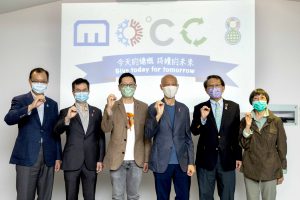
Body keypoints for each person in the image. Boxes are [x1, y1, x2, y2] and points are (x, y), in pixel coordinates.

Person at [4, 67, 61, 200]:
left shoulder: (52, 104)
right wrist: (30, 107)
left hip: (49, 157)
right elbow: (9, 119)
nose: (40, 84)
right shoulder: (20, 100)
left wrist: (58, 156)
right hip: (27, 155)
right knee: (25, 196)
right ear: (30, 81)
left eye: (43, 81)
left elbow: (56, 131)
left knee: (45, 196)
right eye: (36, 81)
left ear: (47, 82)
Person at [190, 75, 242, 200]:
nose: (214, 88)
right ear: (206, 89)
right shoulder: (200, 107)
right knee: (205, 195)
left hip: (227, 159)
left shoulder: (234, 107)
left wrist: (238, 156)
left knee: (227, 195)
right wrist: (202, 118)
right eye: (210, 86)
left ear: (223, 87)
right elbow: (194, 131)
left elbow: (236, 134)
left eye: (217, 85)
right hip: (205, 160)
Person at [54, 78, 105, 200]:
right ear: (73, 92)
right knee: (71, 197)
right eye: (78, 90)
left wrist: (100, 159)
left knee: (90, 197)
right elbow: (56, 131)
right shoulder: (65, 111)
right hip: (71, 161)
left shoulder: (97, 112)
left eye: (84, 90)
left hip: (91, 162)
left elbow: (101, 137)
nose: (81, 93)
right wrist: (67, 118)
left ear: (88, 91)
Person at [145, 74, 195, 200]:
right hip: (161, 162)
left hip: (181, 163)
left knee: (183, 197)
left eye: (173, 84)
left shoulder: (183, 109)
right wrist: (158, 116)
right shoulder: (153, 107)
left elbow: (188, 138)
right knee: (162, 197)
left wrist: (190, 162)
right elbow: (147, 134)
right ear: (161, 87)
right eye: (167, 85)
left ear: (177, 86)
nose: (170, 87)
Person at [101, 73, 151, 200]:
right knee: (117, 196)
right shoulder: (112, 106)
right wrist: (109, 110)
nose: (128, 87)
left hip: (137, 159)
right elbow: (105, 129)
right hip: (117, 158)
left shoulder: (144, 107)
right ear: (119, 87)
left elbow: (147, 136)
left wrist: (146, 159)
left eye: (131, 84)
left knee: (133, 196)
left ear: (135, 86)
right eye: (124, 85)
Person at [239, 88, 287, 200]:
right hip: (250, 167)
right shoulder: (245, 120)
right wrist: (247, 126)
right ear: (252, 102)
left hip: (270, 168)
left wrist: (282, 170)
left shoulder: (276, 121)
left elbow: (282, 147)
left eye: (262, 98)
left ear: (266, 101)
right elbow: (243, 145)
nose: (259, 101)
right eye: (255, 98)